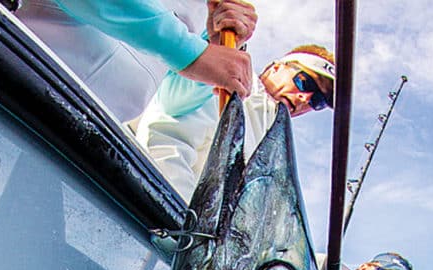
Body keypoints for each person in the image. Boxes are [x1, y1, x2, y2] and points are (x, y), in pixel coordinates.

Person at [135, 42, 335, 202]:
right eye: (304, 82)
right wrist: (187, 226)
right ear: (276, 68)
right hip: (160, 225)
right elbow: (164, 140)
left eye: (318, 101)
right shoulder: (225, 83)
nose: (304, 98)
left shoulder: (276, 144)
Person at [16, 1, 256, 120]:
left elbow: (172, 104)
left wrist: (214, 51)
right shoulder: (184, 43)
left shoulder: (205, 13)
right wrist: (191, 53)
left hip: (83, 141)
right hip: (8, 83)